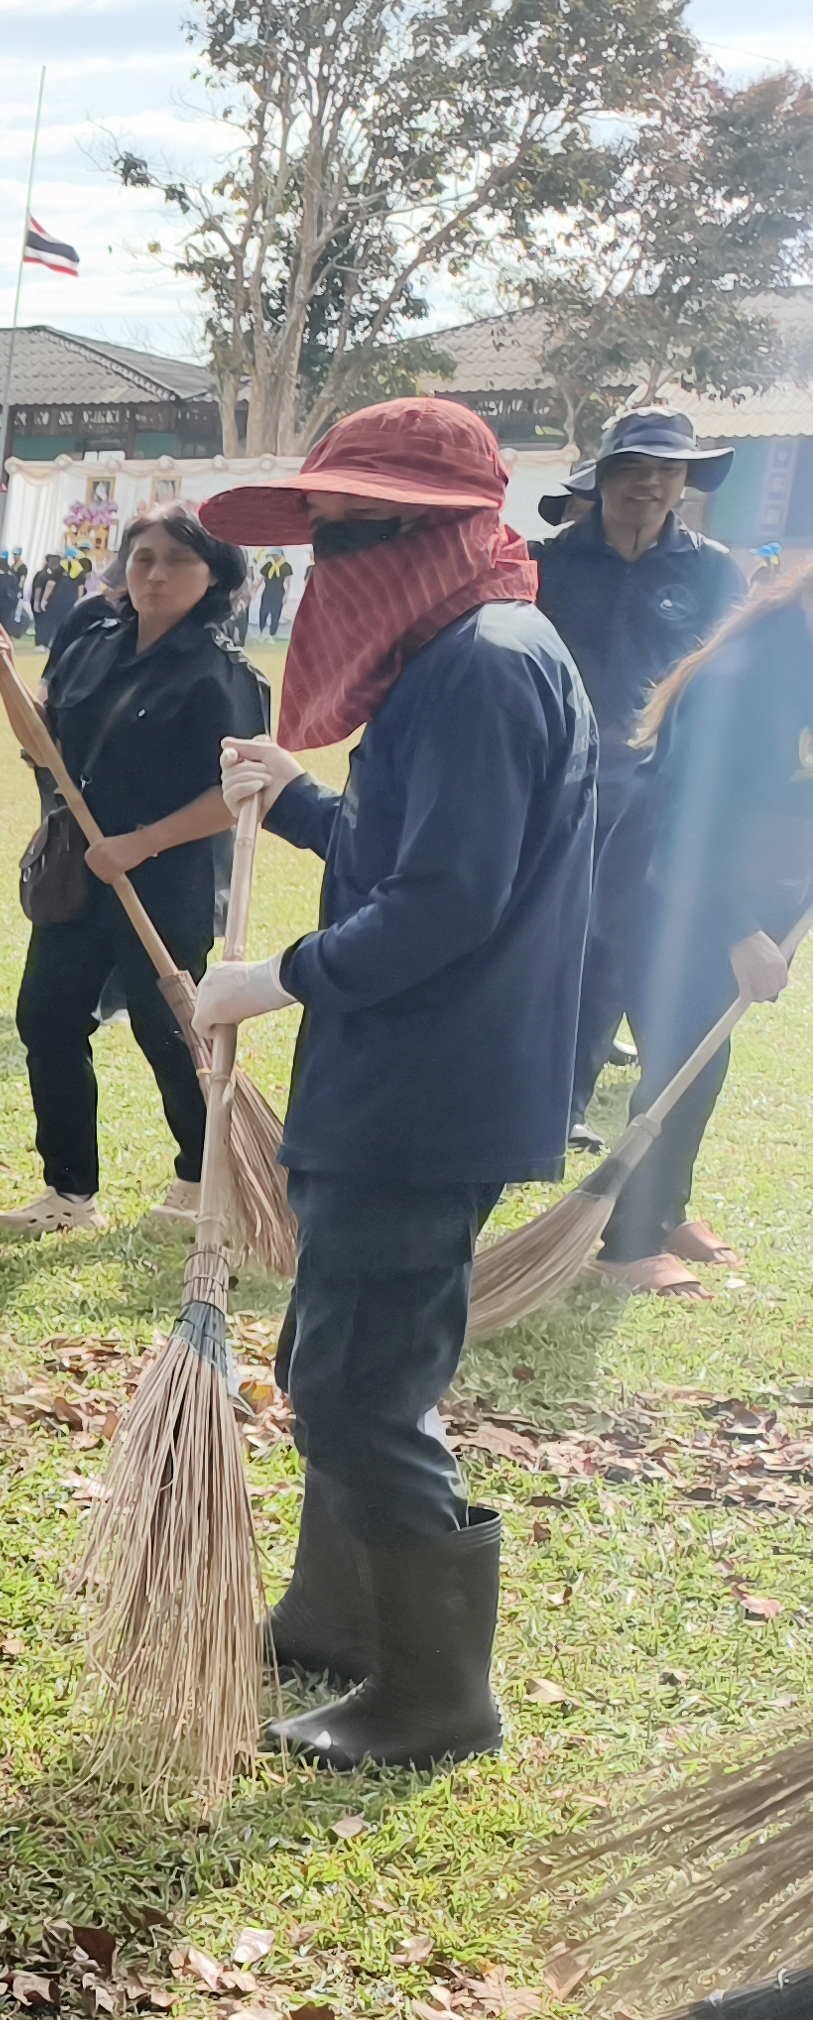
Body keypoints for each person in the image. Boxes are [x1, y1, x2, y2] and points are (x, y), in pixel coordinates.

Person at [199, 396, 594, 1774]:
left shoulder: (487, 665)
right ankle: (338, 1612)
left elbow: (440, 902)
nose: (333, 569)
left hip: (431, 1095)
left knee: (367, 1387)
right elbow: (397, 842)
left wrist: (279, 977)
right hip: (398, 1082)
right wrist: (299, 796)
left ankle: (436, 1689)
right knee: (333, 1361)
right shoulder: (459, 655)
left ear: (431, 537)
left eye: (353, 534)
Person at [0, 508, 271, 1232]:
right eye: (143, 559)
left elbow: (237, 795)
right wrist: (1, 677)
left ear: (214, 576)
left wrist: (143, 843)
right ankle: (69, 1193)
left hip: (166, 878)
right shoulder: (91, 642)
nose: (156, 574)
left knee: (167, 1027)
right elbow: (45, 744)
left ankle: (205, 1179)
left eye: (177, 560)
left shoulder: (224, 675)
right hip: (80, 871)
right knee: (46, 1017)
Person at [591, 567, 813, 1293]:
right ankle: (626, 1246)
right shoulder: (740, 680)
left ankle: (665, 1211)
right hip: (665, 888)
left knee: (703, 1051)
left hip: (741, 893)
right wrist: (739, 929)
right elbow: (686, 820)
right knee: (683, 1056)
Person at [534, 408, 745, 1142]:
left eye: (666, 470)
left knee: (613, 944)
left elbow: (726, 685)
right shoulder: (546, 563)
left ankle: (567, 1103)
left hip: (653, 795)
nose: (649, 483)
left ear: (685, 481)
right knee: (544, 939)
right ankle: (528, 1090)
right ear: (602, 479)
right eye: (632, 468)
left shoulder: (714, 571)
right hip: (551, 788)